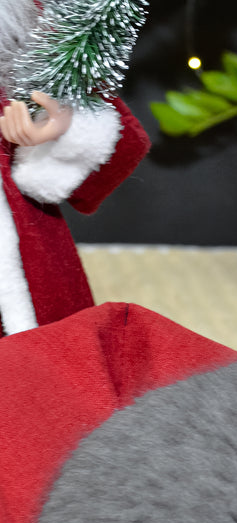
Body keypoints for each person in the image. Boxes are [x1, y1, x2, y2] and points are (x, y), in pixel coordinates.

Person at [0, 0, 150, 335]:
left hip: (14, 225)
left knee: (42, 344)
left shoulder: (28, 20)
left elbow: (83, 101)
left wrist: (52, 128)